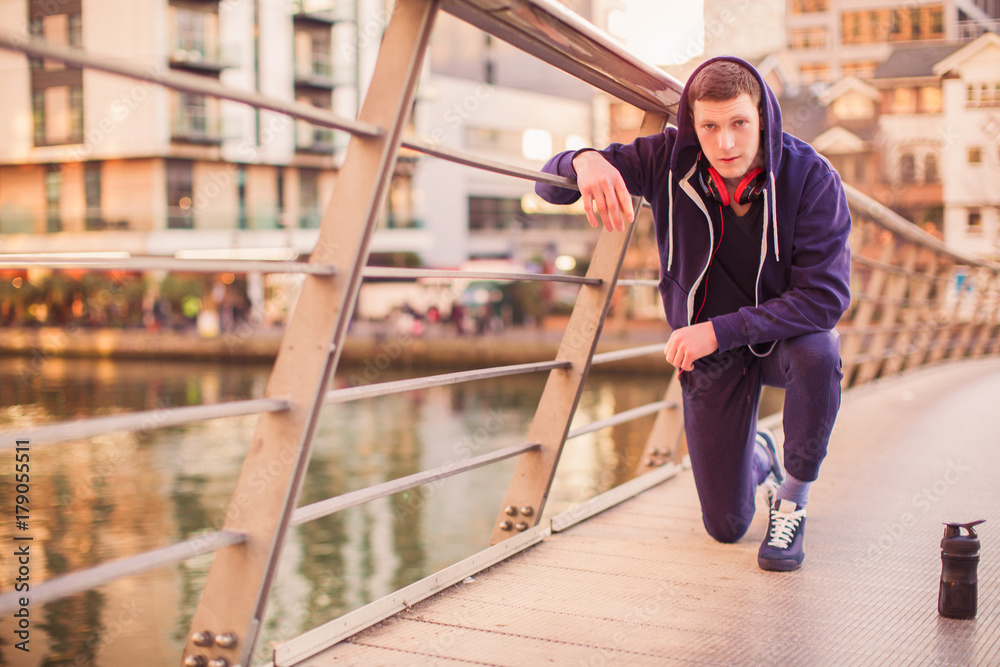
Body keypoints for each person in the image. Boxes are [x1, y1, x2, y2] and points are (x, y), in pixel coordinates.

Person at [535, 56, 851, 571]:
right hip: (713, 357)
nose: (725, 143)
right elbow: (547, 186)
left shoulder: (811, 177)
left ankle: (792, 499)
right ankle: (759, 456)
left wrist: (720, 330)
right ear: (693, 125)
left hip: (781, 342)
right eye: (710, 127)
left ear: (763, 118)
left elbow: (826, 298)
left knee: (821, 350)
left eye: (739, 124)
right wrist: (585, 161)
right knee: (725, 527)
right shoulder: (667, 159)